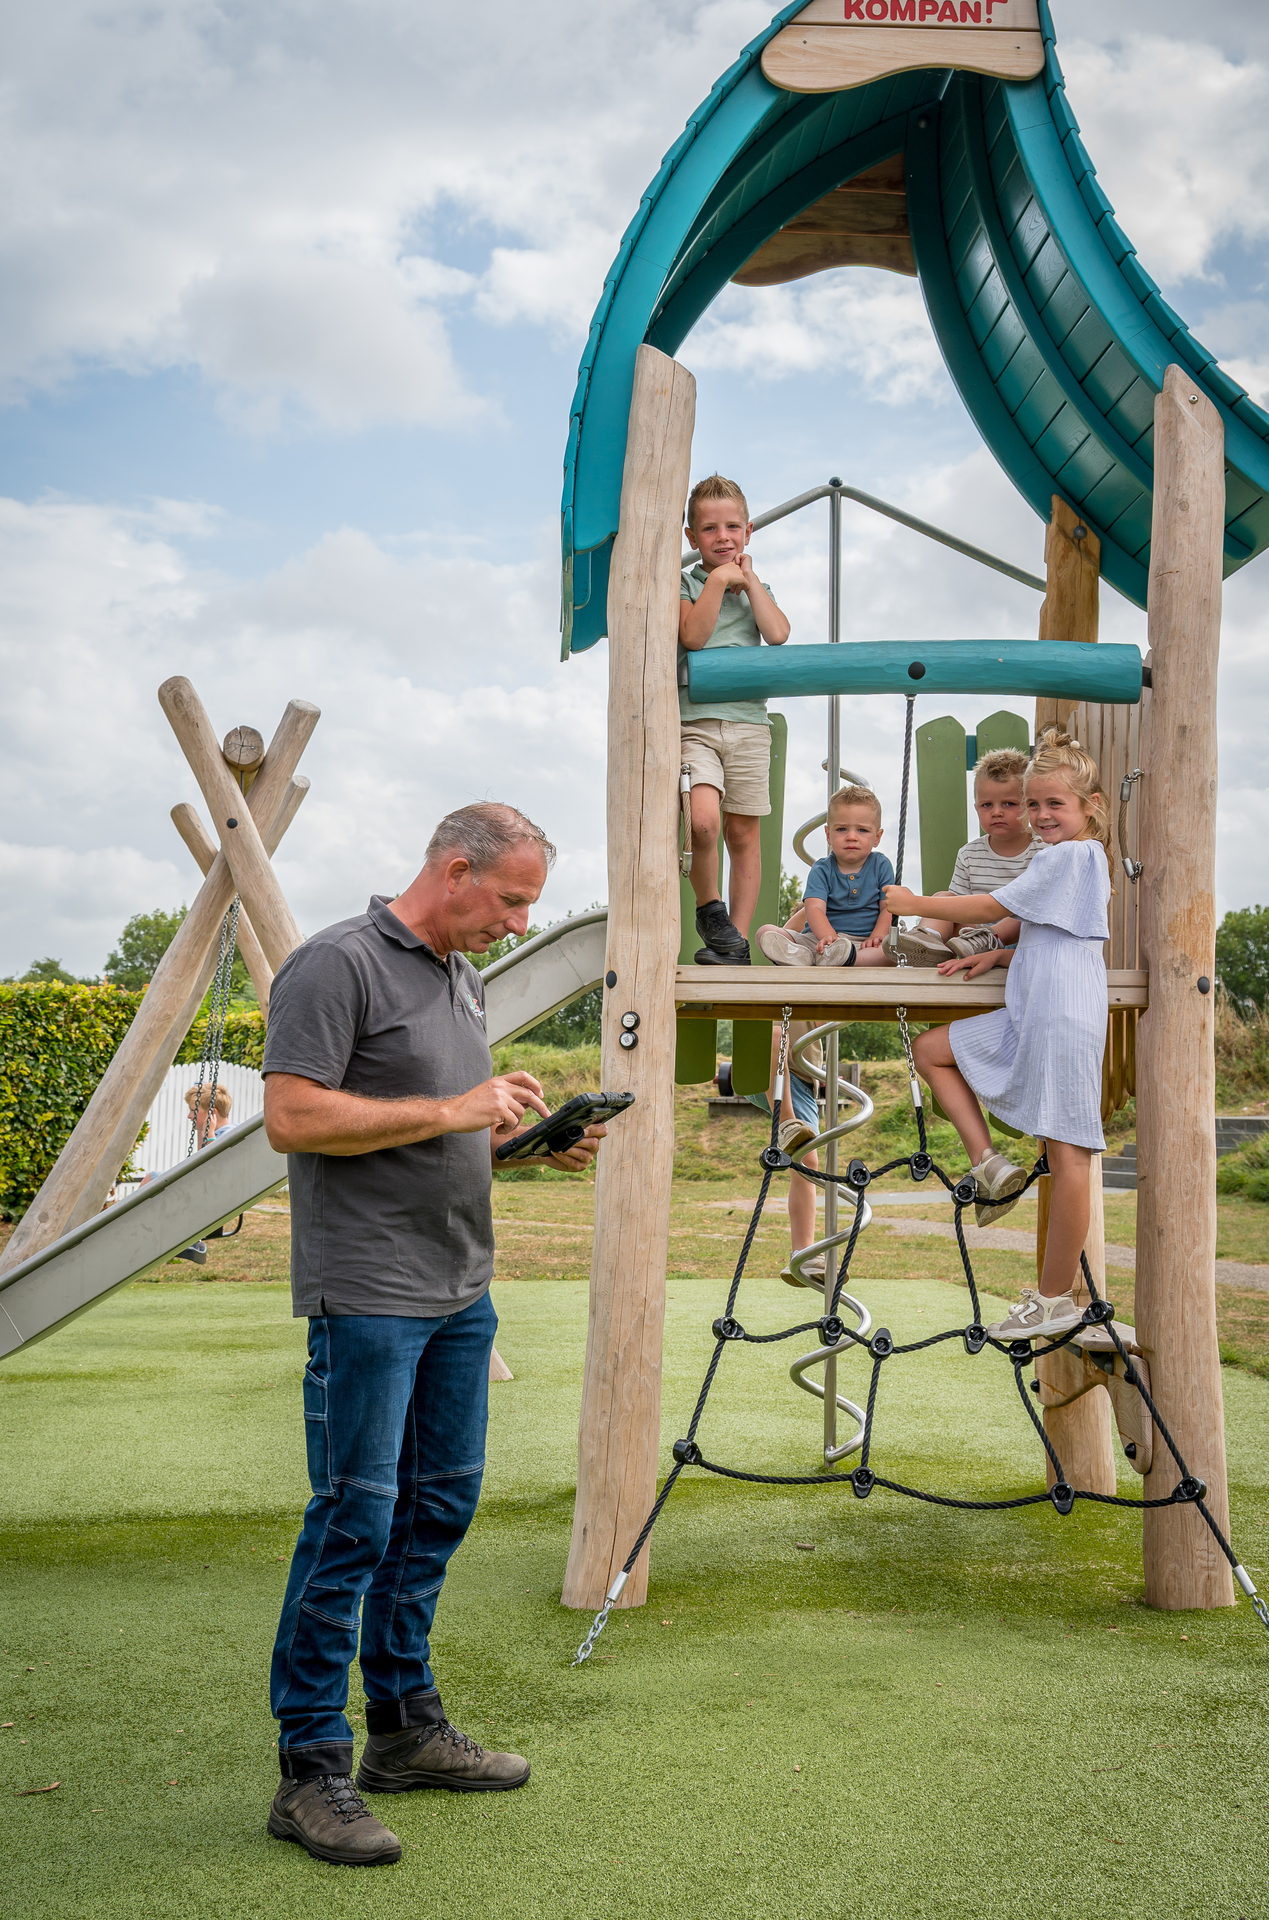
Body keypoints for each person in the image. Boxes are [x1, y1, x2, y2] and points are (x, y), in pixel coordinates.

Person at [259, 803, 606, 1868]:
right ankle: (311, 1769)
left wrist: (523, 1149)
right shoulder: (335, 965)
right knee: (354, 1520)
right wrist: (460, 1109)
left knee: (439, 1506)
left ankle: (404, 1729)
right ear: (454, 871)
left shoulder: (459, 974)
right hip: (368, 1294)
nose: (518, 922)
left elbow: (431, 1129)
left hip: (462, 1291)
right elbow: (295, 1118)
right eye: (511, 899)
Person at [883, 729, 1113, 1336]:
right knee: (931, 1049)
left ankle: (1054, 1297)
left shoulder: (1074, 856)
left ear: (1090, 807)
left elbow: (990, 910)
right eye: (1032, 805)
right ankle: (987, 1163)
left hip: (1061, 1018)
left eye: (1053, 805)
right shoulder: (1060, 861)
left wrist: (916, 901)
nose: (1039, 817)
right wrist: (998, 959)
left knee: (1068, 1156)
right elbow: (1053, 937)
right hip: (1031, 1010)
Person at [679, 474, 790, 965]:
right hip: (696, 724)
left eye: (732, 527)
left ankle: (735, 942)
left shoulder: (756, 587)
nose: (722, 537)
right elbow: (694, 637)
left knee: (743, 834)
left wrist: (747, 583)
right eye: (709, 529)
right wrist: (720, 581)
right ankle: (711, 909)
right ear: (691, 537)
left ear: (748, 531)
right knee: (702, 823)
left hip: (748, 725)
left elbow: (779, 633)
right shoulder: (684, 582)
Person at [891, 747, 1036, 965]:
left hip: (1022, 937)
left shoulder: (1043, 850)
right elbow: (957, 908)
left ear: (1029, 805)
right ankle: (927, 941)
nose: (996, 812)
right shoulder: (970, 854)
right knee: (944, 898)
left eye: (1009, 803)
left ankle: (983, 940)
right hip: (971, 940)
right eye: (987, 805)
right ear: (976, 807)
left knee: (1028, 912)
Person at [755, 786, 896, 968]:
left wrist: (878, 934)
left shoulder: (881, 865)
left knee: (890, 949)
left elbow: (888, 908)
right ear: (828, 835)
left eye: (862, 830)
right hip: (819, 940)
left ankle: (849, 959)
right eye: (842, 829)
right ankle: (802, 956)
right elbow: (815, 910)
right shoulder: (822, 869)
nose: (851, 837)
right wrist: (829, 939)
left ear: (877, 837)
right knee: (764, 932)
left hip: (863, 943)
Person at [741, 1020, 826, 1286]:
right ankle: (787, 1123)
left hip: (801, 1076)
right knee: (775, 1031)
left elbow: (828, 1023)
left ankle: (802, 1254)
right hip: (763, 1064)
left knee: (808, 1161)